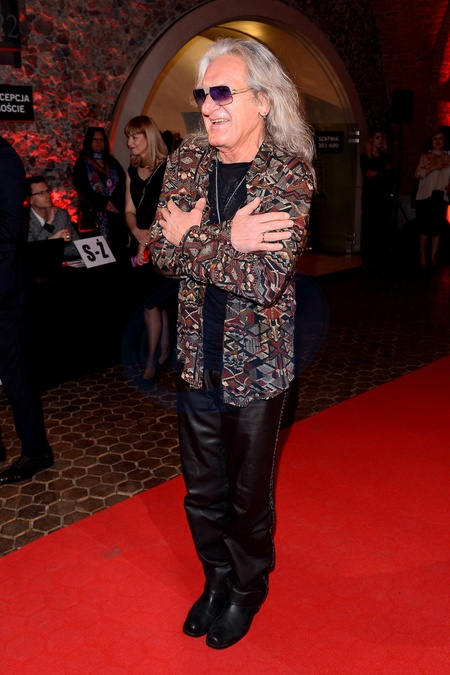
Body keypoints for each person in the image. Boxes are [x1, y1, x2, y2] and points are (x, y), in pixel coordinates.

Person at [147, 38, 315, 649]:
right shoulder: (188, 159)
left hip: (258, 368)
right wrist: (226, 240)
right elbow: (158, 252)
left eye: (222, 92)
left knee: (247, 496)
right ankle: (216, 579)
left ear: (263, 101)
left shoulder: (289, 172)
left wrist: (195, 237)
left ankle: (248, 587)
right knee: (202, 490)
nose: (207, 105)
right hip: (196, 358)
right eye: (203, 93)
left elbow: (266, 277)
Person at [0, 135, 54, 484]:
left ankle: (37, 451)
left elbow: (8, 228)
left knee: (17, 376)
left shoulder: (4, 159)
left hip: (6, 289)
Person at [124, 115, 175, 379]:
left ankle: (151, 363)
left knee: (152, 305)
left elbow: (170, 211)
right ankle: (163, 352)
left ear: (149, 136)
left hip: (162, 245)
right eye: (128, 137)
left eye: (135, 137)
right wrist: (136, 232)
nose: (129, 142)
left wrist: (148, 240)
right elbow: (129, 209)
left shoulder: (169, 168)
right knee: (154, 303)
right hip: (139, 243)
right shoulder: (131, 171)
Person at [73, 126, 127, 261]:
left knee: (119, 258)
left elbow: (123, 185)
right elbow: (83, 190)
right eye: (95, 139)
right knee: (98, 262)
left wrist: (117, 204)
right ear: (88, 142)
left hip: (115, 218)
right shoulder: (82, 164)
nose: (98, 142)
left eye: (101, 139)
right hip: (93, 218)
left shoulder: (112, 163)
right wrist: (105, 204)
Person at [414, 129, 450, 266]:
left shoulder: (448, 158)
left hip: (441, 195)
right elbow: (418, 174)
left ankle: (433, 257)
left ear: (444, 142)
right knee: (425, 227)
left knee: (437, 228)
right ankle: (423, 257)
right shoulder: (425, 157)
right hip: (426, 195)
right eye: (435, 139)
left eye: (440, 139)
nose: (438, 142)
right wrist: (432, 168)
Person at [360, 129, 394, 267]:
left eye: (381, 138)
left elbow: (389, 174)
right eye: (377, 137)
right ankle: (368, 254)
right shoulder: (365, 157)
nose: (380, 140)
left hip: (383, 195)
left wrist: (380, 172)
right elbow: (369, 174)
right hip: (370, 195)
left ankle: (381, 254)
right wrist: (383, 171)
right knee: (369, 223)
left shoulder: (386, 157)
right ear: (371, 140)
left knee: (383, 223)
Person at [24, 175, 79, 258]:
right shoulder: (25, 220)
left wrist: (50, 249)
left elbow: (78, 247)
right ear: (30, 199)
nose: (48, 195)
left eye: (47, 191)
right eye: (41, 193)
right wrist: (49, 224)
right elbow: (32, 252)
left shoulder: (61, 214)